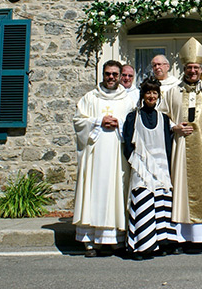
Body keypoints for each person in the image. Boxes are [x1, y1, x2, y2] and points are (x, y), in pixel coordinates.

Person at [159, 37, 202, 254]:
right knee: (182, 189)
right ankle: (182, 238)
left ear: (201, 68)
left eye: (196, 67)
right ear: (183, 68)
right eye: (189, 67)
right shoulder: (171, 91)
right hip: (181, 149)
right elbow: (161, 117)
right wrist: (174, 127)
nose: (192, 71)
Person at [72, 60, 135, 257]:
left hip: (118, 156)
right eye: (108, 74)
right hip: (94, 155)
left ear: (120, 76)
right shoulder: (90, 98)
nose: (111, 78)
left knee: (117, 192)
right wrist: (98, 121)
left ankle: (115, 239)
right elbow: (78, 121)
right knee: (93, 192)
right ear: (103, 74)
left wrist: (120, 123)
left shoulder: (127, 100)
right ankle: (90, 241)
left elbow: (134, 124)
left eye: (115, 74)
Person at [122, 77, 181, 260]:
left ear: (158, 95)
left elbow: (169, 143)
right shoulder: (133, 116)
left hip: (161, 168)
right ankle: (142, 246)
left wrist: (168, 169)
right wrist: (138, 164)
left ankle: (163, 243)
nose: (151, 96)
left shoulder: (164, 118)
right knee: (143, 204)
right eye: (148, 92)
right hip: (141, 168)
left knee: (162, 206)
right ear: (143, 95)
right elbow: (128, 142)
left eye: (155, 92)